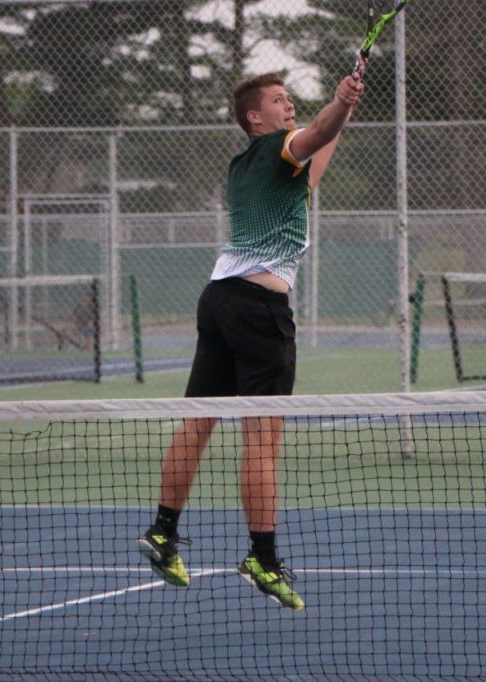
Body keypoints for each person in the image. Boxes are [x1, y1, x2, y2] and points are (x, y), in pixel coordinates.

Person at [138, 65, 367, 611]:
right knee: (262, 441)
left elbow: (319, 149)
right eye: (279, 100)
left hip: (218, 301)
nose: (289, 105)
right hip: (260, 311)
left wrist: (345, 108)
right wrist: (337, 104)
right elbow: (316, 133)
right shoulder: (276, 147)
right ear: (254, 118)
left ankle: (163, 531)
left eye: (290, 99)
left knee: (197, 423)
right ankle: (263, 557)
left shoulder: (247, 167)